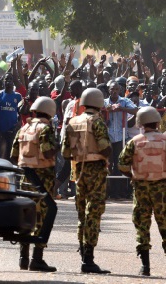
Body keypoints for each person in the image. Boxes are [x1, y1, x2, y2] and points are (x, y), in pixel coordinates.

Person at [62, 87, 111, 274]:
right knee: (94, 212)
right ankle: (89, 259)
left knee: (82, 212)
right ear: (98, 103)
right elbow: (105, 148)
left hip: (78, 170)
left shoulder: (73, 122)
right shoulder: (97, 122)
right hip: (96, 170)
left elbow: (65, 153)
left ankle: (83, 254)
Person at [10, 96, 57, 272]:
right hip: (42, 179)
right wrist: (57, 146)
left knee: (26, 217)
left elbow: (13, 155)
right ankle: (37, 259)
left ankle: (23, 258)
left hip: (25, 179)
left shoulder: (24, 129)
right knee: (43, 217)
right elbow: (47, 153)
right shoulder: (45, 129)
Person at [118, 106, 166, 276]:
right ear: (157, 122)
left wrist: (133, 175)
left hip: (141, 188)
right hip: (162, 189)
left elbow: (122, 164)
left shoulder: (135, 141)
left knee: (142, 226)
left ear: (140, 123)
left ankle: (145, 267)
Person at [105, 82, 138, 176]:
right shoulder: (104, 102)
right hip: (108, 137)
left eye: (116, 89)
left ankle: (119, 187)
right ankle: (110, 188)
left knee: (119, 162)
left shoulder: (125, 101)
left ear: (119, 90)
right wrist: (105, 111)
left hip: (121, 137)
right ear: (109, 90)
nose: (114, 91)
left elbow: (136, 110)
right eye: (112, 89)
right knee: (108, 163)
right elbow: (98, 113)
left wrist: (121, 109)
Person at [0, 73, 22, 160]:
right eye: (6, 79)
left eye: (10, 79)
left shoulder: (18, 96)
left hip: (12, 129)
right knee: (1, 153)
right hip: (1, 129)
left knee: (11, 153)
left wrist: (19, 123)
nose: (8, 81)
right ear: (3, 81)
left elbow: (20, 113)